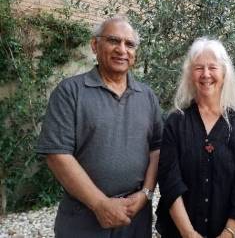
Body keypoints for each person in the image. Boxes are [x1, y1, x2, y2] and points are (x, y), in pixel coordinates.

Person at [37, 16, 163, 238]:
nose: (122, 49)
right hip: (84, 218)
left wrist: (146, 194)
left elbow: (157, 148)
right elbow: (57, 155)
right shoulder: (70, 92)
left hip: (135, 218)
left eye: (129, 44)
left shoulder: (147, 96)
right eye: (113, 40)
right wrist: (100, 204)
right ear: (95, 45)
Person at [156, 38, 235, 238]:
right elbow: (169, 182)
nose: (206, 74)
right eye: (199, 68)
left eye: (212, 67)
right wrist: (188, 233)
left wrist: (228, 233)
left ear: (224, 73)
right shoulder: (175, 122)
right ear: (190, 74)